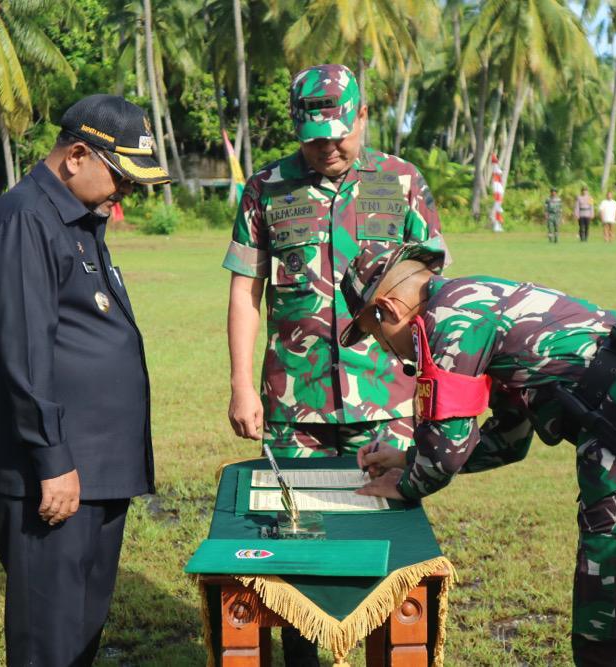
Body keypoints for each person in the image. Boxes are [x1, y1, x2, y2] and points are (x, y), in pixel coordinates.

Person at [339, 243, 616, 667]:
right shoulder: (479, 299)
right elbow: (507, 440)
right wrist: (406, 458)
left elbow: (445, 454)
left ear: (387, 309)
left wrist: (405, 485)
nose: (387, 352)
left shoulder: (449, 319)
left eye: (375, 335)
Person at [222, 63, 448, 665]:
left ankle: (388, 651)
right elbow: (246, 291)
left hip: (388, 400)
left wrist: (436, 387)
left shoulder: (402, 183)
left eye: (341, 132)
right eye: (315, 135)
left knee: (390, 543)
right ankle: (304, 654)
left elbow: (437, 297)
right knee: (296, 547)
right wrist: (243, 385)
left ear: (365, 116)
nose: (329, 145)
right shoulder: (266, 187)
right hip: (295, 403)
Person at [0, 94, 169, 667]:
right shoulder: (25, 217)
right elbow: (23, 354)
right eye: (121, 178)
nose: (125, 194)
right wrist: (54, 460)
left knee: (79, 635)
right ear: (77, 154)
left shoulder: (76, 218)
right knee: (47, 643)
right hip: (51, 478)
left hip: (96, 471)